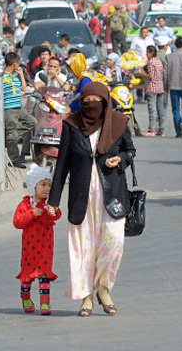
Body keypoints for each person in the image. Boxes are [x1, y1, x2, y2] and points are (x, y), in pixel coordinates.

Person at [48, 82, 136, 317]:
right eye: (87, 102)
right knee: (82, 248)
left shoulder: (118, 122)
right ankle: (86, 296)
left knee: (113, 243)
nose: (91, 106)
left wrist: (120, 159)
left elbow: (130, 151)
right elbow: (62, 165)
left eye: (96, 102)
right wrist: (52, 201)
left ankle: (104, 289)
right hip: (81, 198)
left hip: (112, 195)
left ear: (105, 102)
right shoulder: (71, 125)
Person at [13, 164, 61, 315]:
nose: (46, 189)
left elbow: (54, 217)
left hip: (45, 248)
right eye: (42, 185)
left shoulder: (48, 204)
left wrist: (53, 212)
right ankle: (25, 297)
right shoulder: (25, 204)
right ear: (33, 186)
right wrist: (31, 214)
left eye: (48, 185)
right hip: (29, 248)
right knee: (27, 276)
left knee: (44, 274)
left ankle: (45, 303)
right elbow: (17, 222)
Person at [3, 52, 36, 168]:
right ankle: (14, 159)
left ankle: (10, 137)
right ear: (15, 64)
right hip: (9, 109)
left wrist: (21, 75)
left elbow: (23, 88)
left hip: (19, 107)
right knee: (11, 135)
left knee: (33, 122)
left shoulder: (14, 77)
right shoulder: (2, 78)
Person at [137, 45, 166, 136]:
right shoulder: (159, 61)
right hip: (161, 87)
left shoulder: (151, 62)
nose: (146, 54)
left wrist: (141, 74)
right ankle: (161, 129)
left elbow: (151, 76)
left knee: (152, 109)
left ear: (151, 53)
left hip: (152, 87)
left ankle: (151, 129)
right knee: (160, 109)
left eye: (147, 52)